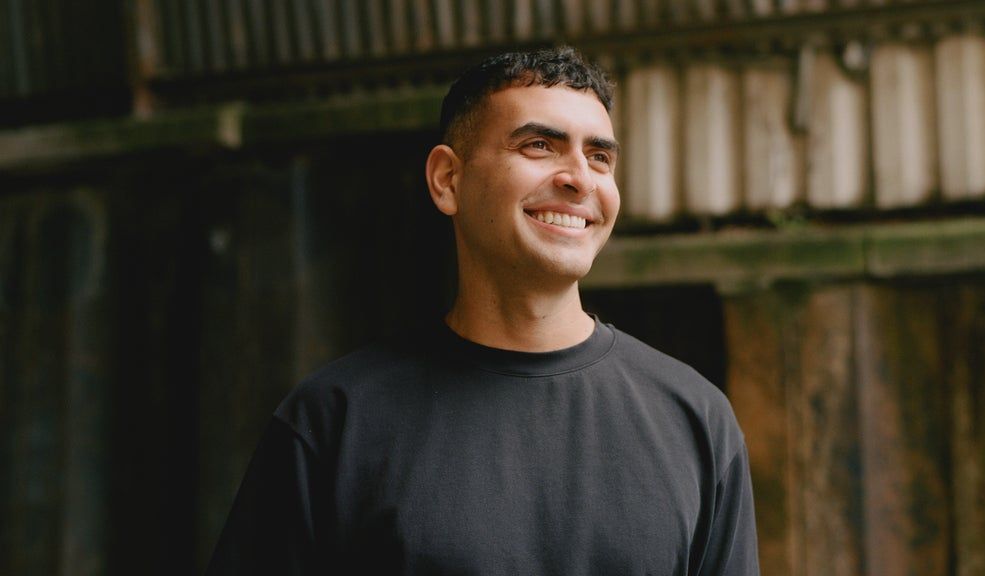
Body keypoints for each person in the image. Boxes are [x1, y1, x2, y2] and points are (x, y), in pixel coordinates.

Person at [206, 46, 759, 575]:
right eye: (539, 146)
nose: (578, 178)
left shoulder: (696, 419)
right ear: (448, 179)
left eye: (599, 157)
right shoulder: (333, 423)